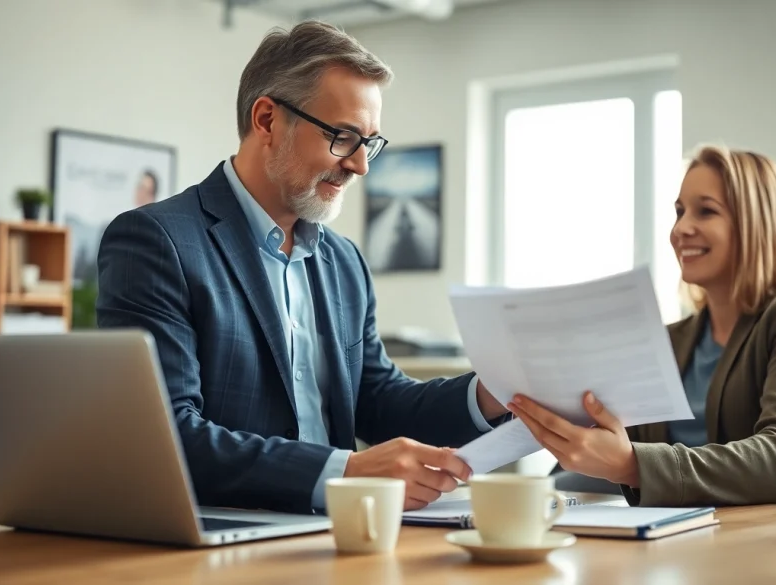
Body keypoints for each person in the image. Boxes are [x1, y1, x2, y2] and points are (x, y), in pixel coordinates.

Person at [95, 21, 508, 515]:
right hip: (222, 536)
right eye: (343, 137)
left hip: (344, 530)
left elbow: (378, 401)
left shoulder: (344, 261)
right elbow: (167, 433)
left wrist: (493, 394)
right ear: (267, 120)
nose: (360, 166)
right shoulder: (158, 241)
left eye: (369, 142)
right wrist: (344, 472)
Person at [509, 145, 776, 507]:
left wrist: (633, 465)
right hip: (690, 532)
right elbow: (610, 442)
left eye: (706, 211)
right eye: (679, 212)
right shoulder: (670, 341)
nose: (680, 229)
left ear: (757, 223)